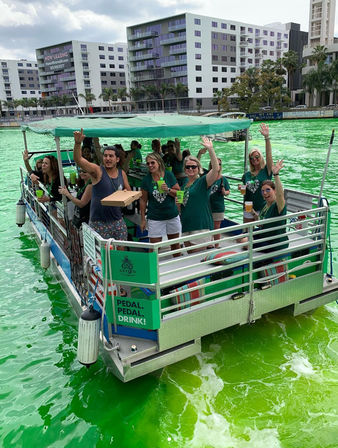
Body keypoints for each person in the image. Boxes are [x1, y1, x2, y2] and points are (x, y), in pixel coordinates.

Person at [73, 128, 131, 241]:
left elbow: (128, 191)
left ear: (117, 159)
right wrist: (77, 143)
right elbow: (78, 160)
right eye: (105, 156)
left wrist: (124, 194)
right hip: (98, 223)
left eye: (111, 156)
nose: (108, 158)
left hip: (117, 220)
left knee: (120, 252)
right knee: (101, 256)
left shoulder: (121, 173)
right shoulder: (97, 171)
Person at [180, 136, 219, 251]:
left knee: (196, 258)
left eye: (194, 167)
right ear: (185, 169)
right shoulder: (185, 183)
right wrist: (178, 202)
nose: (191, 169)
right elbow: (182, 206)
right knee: (190, 255)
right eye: (188, 167)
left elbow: (216, 170)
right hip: (186, 225)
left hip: (200, 225)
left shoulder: (202, 181)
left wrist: (211, 150)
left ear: (199, 168)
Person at [140, 153, 181, 255]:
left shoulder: (168, 175)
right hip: (155, 218)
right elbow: (143, 200)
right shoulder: (146, 180)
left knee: (175, 245)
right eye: (148, 163)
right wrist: (143, 219)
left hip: (172, 216)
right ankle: (152, 269)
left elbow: (179, 194)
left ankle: (177, 266)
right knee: (154, 248)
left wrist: (168, 190)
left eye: (152, 162)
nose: (150, 165)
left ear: (159, 162)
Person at [253, 160, 289, 253]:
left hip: (275, 242)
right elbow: (262, 224)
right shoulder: (265, 205)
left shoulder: (278, 205)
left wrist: (276, 175)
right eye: (263, 191)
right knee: (242, 237)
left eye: (268, 190)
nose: (265, 193)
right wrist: (256, 217)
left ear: (274, 191)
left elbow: (281, 195)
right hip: (264, 236)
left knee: (245, 242)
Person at [240, 123, 273, 222]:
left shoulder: (266, 171)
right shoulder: (246, 175)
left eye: (257, 157)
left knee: (261, 234)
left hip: (262, 207)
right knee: (246, 233)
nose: (254, 159)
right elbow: (245, 192)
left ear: (261, 157)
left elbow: (269, 156)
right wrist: (241, 188)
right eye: (252, 158)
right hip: (248, 208)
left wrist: (267, 138)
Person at [209, 158, 230, 248]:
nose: (218, 166)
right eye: (215, 164)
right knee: (208, 226)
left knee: (216, 226)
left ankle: (216, 245)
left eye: (219, 164)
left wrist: (224, 192)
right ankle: (209, 244)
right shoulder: (207, 177)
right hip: (207, 206)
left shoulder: (223, 179)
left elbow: (228, 191)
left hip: (218, 206)